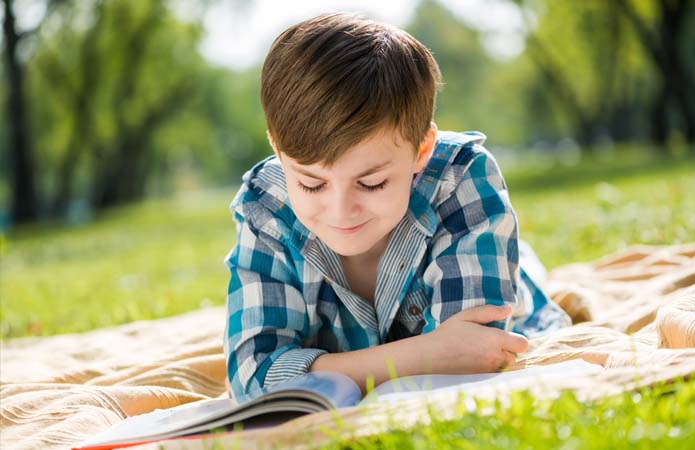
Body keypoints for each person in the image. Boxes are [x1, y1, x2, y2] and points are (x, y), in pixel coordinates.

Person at [224, 12, 570, 402]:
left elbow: (477, 352)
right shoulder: (266, 204)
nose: (340, 211)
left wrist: (326, 370)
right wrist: (425, 353)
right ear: (276, 148)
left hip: (512, 293)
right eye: (311, 183)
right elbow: (252, 378)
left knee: (525, 276)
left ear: (421, 149)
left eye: (371, 182)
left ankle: (523, 261)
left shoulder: (462, 175)